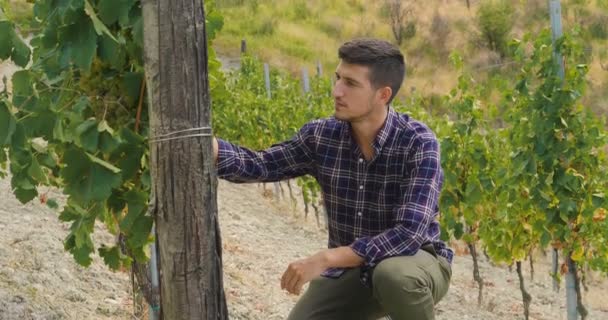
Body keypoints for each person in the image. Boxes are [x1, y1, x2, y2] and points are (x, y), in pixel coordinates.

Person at [212, 38, 453, 320]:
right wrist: (212, 148)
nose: (336, 91)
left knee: (394, 276)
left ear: (383, 95)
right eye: (338, 78)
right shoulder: (322, 136)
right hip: (353, 270)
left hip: (415, 261)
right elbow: (262, 164)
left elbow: (408, 234)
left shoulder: (418, 142)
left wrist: (327, 258)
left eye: (351, 84)